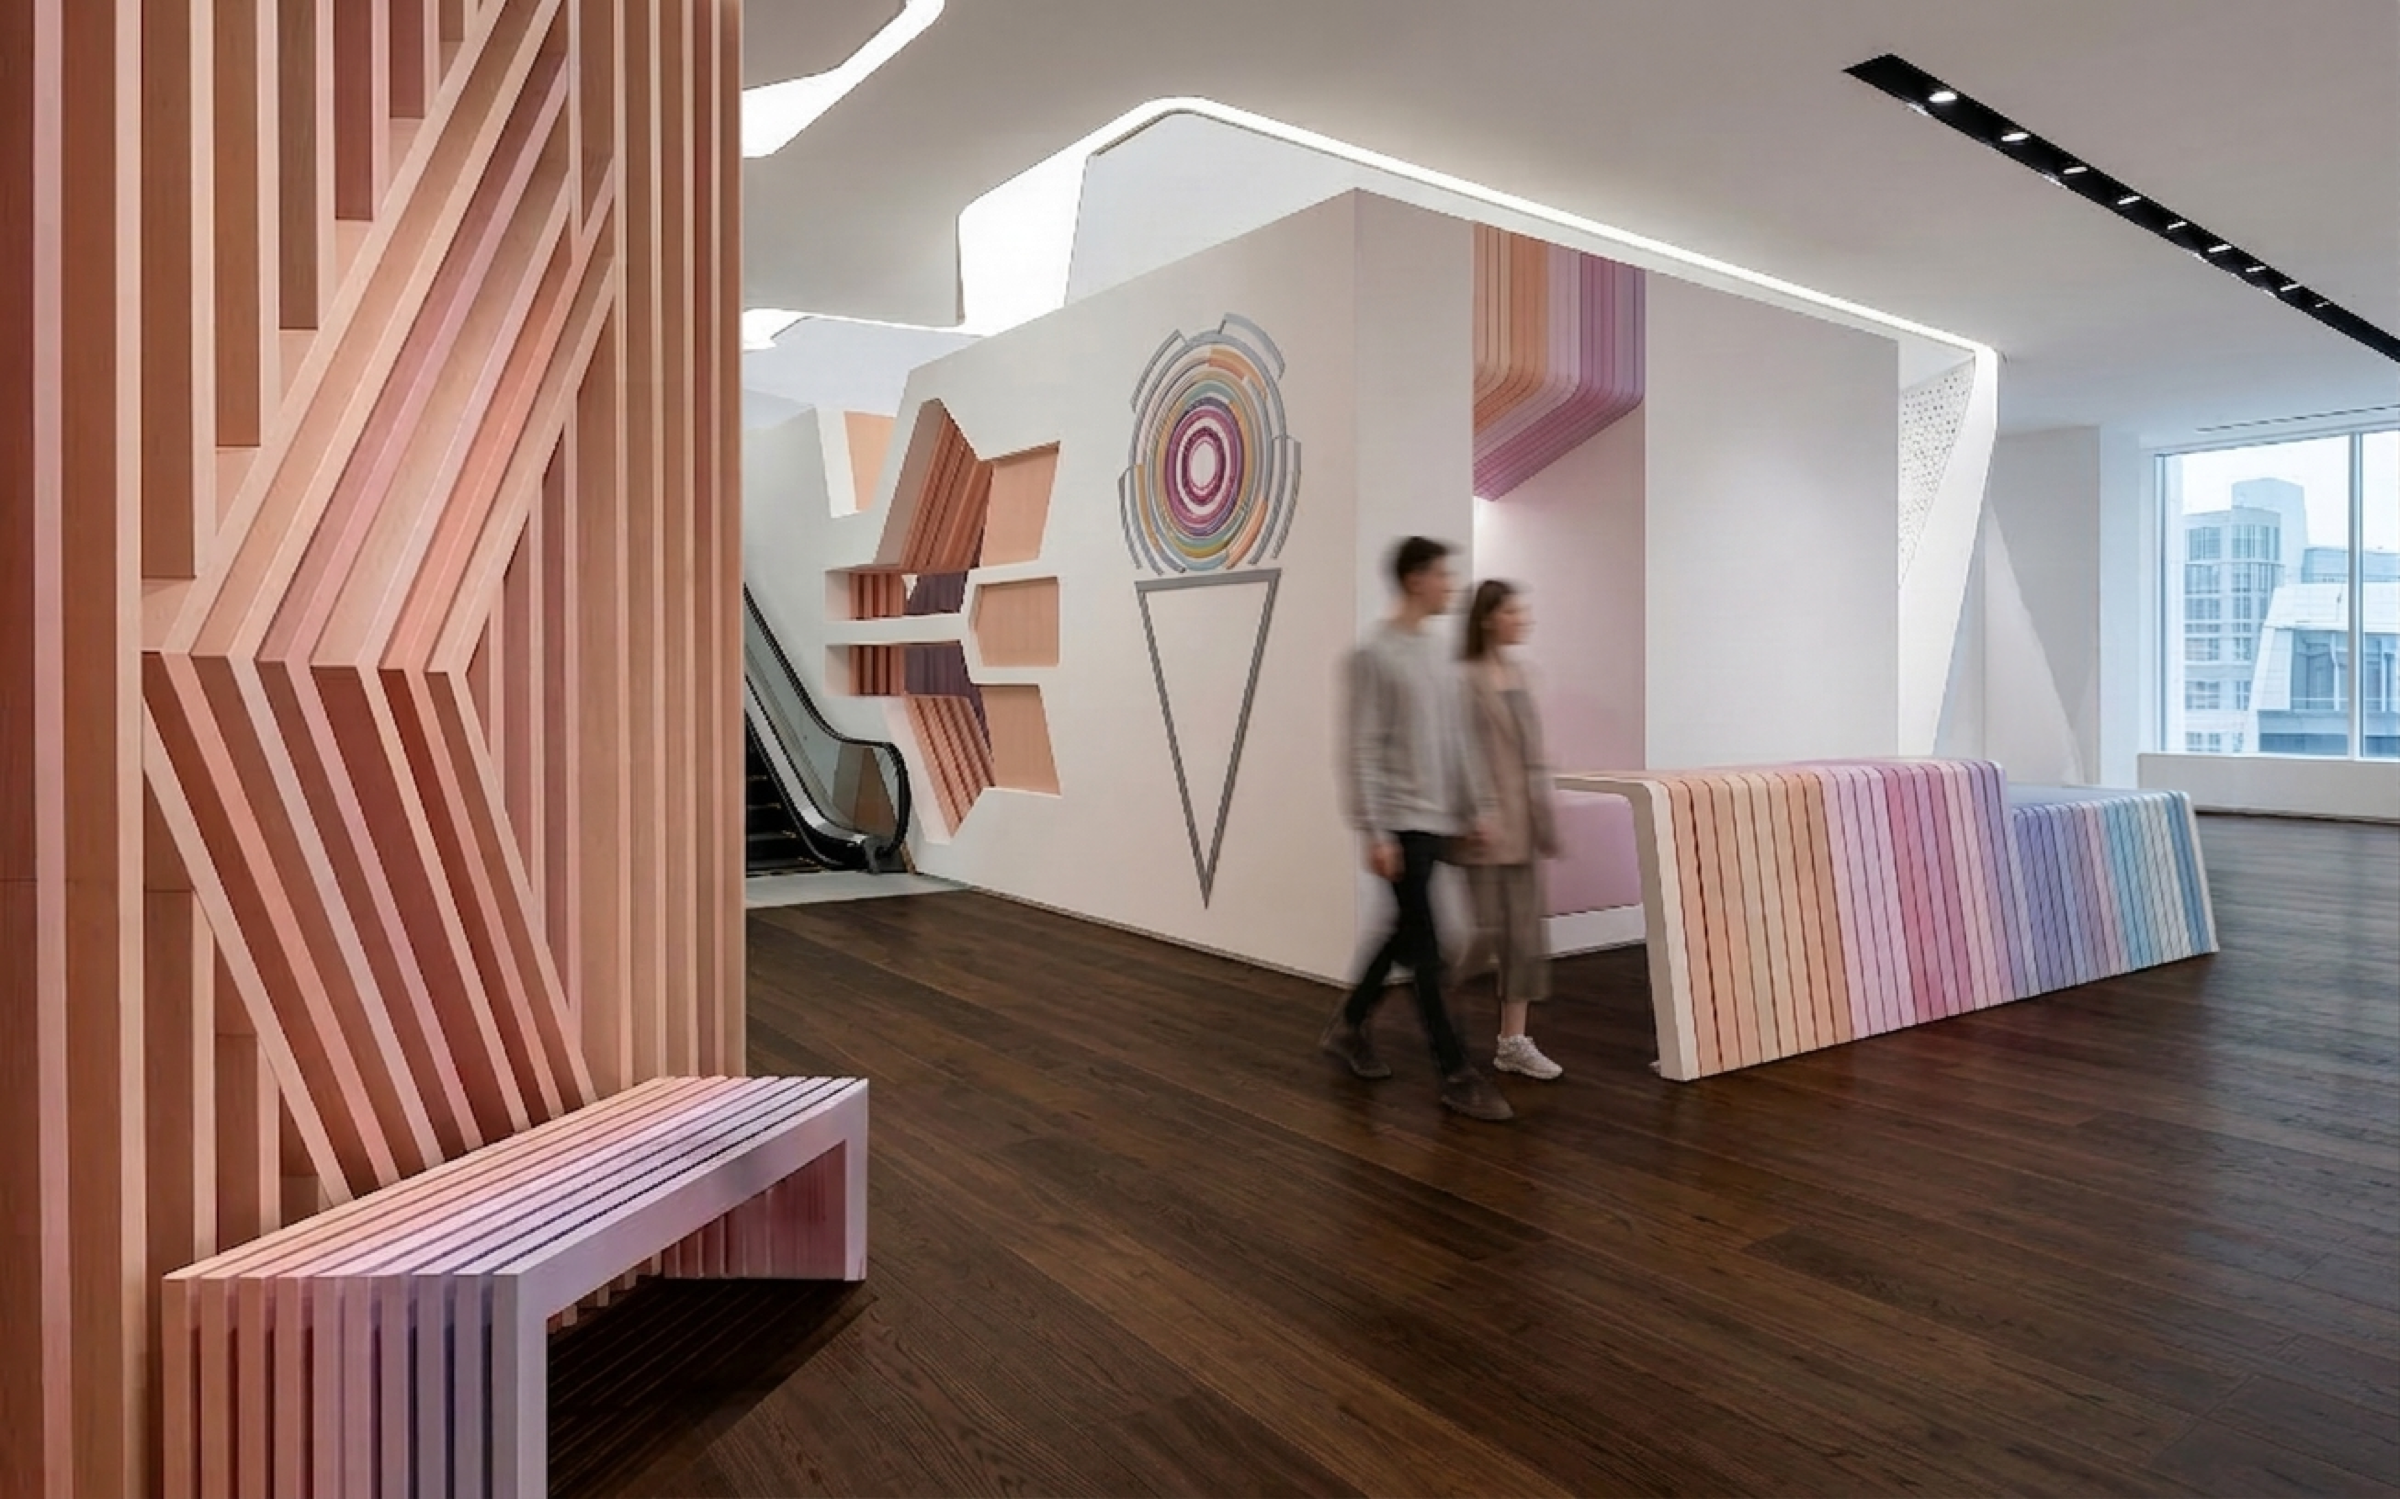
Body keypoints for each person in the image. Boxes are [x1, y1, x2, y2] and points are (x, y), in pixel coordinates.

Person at [1320, 537, 1515, 1122]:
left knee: (1406, 935)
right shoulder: (1371, 656)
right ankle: (1457, 1074)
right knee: (1428, 948)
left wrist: (1477, 805)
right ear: (1414, 580)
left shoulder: (1438, 655)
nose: (1451, 586)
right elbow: (1361, 750)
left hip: (1438, 819)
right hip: (1399, 823)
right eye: (1442, 576)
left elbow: (1456, 740)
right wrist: (1373, 831)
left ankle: (1350, 1026)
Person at [1453, 580, 1564, 1081]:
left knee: (1523, 936)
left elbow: (1532, 754)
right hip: (1483, 826)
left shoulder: (1521, 673)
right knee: (1481, 935)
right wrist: (1480, 809)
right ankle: (1439, 1017)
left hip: (1522, 824)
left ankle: (1512, 1042)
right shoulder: (1464, 679)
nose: (1524, 619)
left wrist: (1545, 811)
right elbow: (1461, 753)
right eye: (1514, 611)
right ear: (1488, 618)